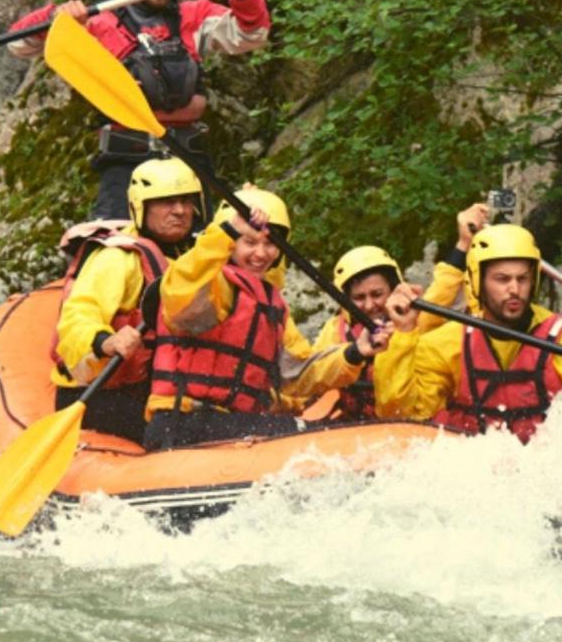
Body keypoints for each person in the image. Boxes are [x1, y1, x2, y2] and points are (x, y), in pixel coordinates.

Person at [7, 0, 271, 219]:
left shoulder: (194, 15)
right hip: (127, 166)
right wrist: (57, 17)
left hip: (188, 163)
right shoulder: (98, 24)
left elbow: (252, 35)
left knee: (203, 256)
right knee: (113, 255)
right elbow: (18, 46)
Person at [143, 187, 390, 450]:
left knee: (318, 430)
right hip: (181, 423)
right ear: (231, 241)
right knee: (306, 435)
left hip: (232, 422)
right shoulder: (212, 284)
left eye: (270, 243)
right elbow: (181, 291)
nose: (261, 253)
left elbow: (297, 374)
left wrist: (355, 352)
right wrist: (225, 231)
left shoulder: (271, 303)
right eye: (249, 242)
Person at [377, 223, 562, 443]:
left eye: (522, 279)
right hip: (472, 475)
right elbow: (403, 415)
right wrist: (403, 334)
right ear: (477, 281)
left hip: (543, 476)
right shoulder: (445, 343)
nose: (514, 289)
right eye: (502, 279)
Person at [51, 157, 205, 442]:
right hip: (97, 395)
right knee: (182, 433)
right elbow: (78, 315)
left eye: (186, 200)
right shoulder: (117, 258)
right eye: (166, 202)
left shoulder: (194, 256)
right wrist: (104, 342)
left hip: (157, 391)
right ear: (141, 207)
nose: (180, 211)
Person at [311, 203, 491, 419]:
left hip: (402, 424)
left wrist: (464, 243)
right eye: (359, 298)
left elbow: (444, 288)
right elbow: (314, 374)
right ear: (345, 299)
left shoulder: (411, 319)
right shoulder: (333, 333)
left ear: (394, 289)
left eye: (377, 294)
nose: (369, 305)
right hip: (353, 428)